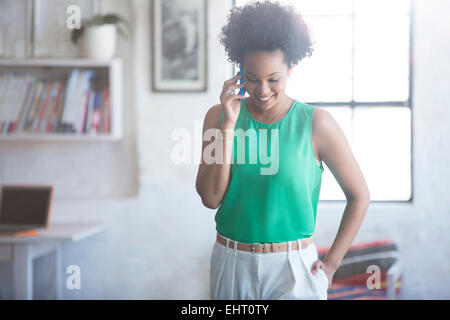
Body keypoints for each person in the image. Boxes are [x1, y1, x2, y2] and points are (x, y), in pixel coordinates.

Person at [195, 0, 370, 300]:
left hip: (293, 268)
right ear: (239, 70)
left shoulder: (317, 124)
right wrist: (228, 125)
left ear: (291, 66)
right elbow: (210, 199)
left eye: (273, 79)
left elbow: (359, 196)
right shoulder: (218, 116)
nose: (262, 90)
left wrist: (331, 266)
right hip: (231, 260)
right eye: (251, 78)